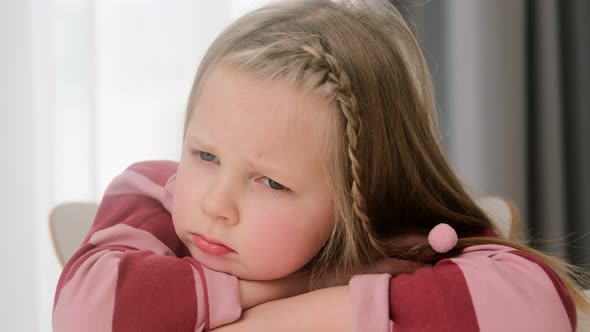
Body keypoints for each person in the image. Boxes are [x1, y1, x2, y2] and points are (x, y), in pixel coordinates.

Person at [53, 0, 590, 331]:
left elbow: (535, 312)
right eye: (205, 154)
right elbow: (88, 316)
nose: (215, 203)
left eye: (270, 182)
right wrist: (316, 282)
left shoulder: (406, 237)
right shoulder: (155, 190)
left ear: (361, 197)